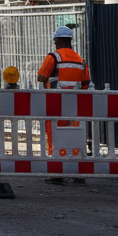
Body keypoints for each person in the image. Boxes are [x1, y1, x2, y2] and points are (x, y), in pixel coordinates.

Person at [36, 25, 90, 184]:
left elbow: (41, 77)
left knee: (55, 137)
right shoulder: (81, 60)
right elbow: (86, 83)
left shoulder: (53, 57)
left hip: (56, 104)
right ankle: (78, 173)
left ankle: (57, 173)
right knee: (76, 137)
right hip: (75, 105)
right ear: (70, 41)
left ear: (57, 41)